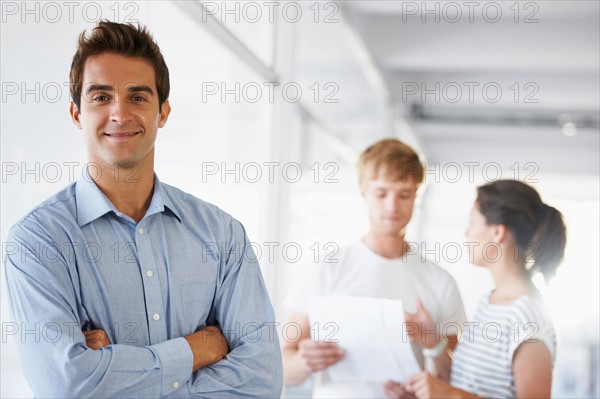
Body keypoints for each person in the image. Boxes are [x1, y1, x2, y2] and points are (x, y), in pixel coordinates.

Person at [3, 21, 282, 398]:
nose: (120, 113)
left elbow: (261, 382)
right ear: (76, 114)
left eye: (137, 96)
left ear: (162, 112)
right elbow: (65, 385)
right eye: (101, 97)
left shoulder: (222, 234)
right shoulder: (37, 241)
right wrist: (196, 350)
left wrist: (111, 372)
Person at [282, 138, 467, 398]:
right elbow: (283, 369)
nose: (392, 206)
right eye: (381, 193)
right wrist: (304, 361)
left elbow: (457, 383)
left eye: (404, 194)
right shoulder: (327, 269)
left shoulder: (440, 282)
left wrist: (433, 341)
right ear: (363, 192)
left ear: (417, 195)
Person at [384, 179, 566, 398]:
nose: (466, 233)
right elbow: (467, 385)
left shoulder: (528, 319)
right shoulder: (490, 301)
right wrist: (432, 342)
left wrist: (451, 396)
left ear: (497, 233)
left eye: (472, 222)